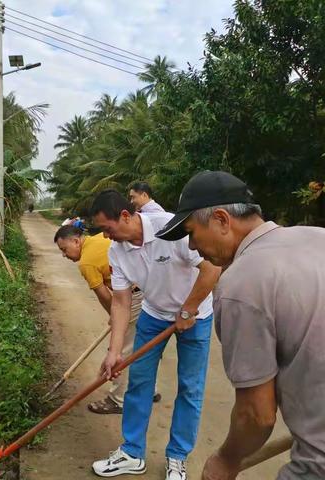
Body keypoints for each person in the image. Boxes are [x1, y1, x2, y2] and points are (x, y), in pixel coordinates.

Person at [156, 170, 325, 480]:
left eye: (192, 232)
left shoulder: (241, 284)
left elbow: (256, 415)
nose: (192, 246)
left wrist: (227, 459)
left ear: (221, 219)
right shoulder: (317, 237)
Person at [90, 190, 221, 480]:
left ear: (125, 216)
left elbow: (212, 268)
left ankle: (177, 457)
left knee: (190, 387)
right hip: (153, 314)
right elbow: (121, 303)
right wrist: (114, 351)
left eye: (106, 229)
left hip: (196, 315)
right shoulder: (117, 251)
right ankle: (132, 452)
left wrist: (188, 310)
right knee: (138, 382)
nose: (106, 237)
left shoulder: (171, 228)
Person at [54, 225, 161, 414]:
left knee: (122, 348)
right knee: (143, 344)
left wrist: (116, 318)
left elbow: (104, 295)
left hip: (134, 295)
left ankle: (117, 400)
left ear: (76, 241)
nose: (64, 255)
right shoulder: (98, 239)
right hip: (150, 288)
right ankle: (149, 390)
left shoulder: (86, 263)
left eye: (64, 250)